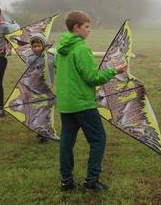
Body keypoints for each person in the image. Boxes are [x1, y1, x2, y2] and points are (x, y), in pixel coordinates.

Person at [54, 11, 126, 192]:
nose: (89, 30)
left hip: (66, 103)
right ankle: (91, 181)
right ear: (76, 28)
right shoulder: (81, 49)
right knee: (98, 139)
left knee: (67, 141)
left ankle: (66, 181)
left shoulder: (59, 49)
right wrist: (114, 71)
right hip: (82, 104)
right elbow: (93, 78)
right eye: (86, 27)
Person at [26, 34, 55, 144]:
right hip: (35, 88)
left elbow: (54, 68)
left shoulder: (50, 58)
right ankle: (41, 129)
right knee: (37, 110)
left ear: (43, 46)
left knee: (45, 111)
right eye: (34, 46)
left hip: (47, 88)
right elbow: (28, 73)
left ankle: (45, 133)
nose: (37, 48)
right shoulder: (30, 59)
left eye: (39, 46)